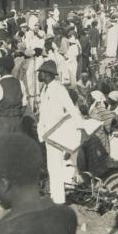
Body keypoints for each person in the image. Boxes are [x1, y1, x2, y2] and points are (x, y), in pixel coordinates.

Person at [37, 60, 83, 204]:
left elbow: (72, 109)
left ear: (48, 74)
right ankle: (55, 197)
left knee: (56, 167)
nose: (39, 75)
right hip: (47, 134)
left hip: (56, 134)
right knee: (52, 167)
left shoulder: (58, 89)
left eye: (41, 72)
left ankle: (58, 200)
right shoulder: (45, 89)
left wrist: (80, 127)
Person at [0, 55, 27, 141]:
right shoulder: (20, 83)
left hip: (3, 123)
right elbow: (24, 106)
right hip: (18, 123)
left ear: (2, 68)